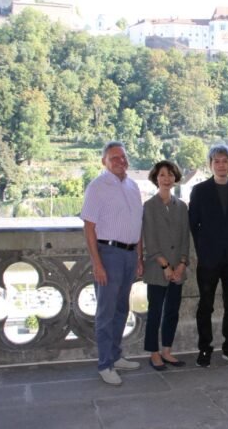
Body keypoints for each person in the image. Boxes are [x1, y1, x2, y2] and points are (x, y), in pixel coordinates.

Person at [81, 141, 143, 385]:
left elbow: (138, 224)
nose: (120, 161)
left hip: (128, 255)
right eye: (114, 158)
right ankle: (105, 363)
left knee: (120, 310)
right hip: (108, 253)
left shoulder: (133, 186)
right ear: (104, 162)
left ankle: (116, 356)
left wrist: (138, 256)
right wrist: (97, 263)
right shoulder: (97, 187)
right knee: (106, 312)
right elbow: (89, 228)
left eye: (123, 157)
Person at [189, 144, 228, 367]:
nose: (221, 165)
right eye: (217, 161)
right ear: (210, 165)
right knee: (206, 305)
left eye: (225, 161)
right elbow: (194, 224)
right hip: (208, 259)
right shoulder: (200, 190)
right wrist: (204, 250)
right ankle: (205, 349)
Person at [142, 160, 190, 371]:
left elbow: (185, 239)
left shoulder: (181, 206)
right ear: (156, 178)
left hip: (178, 270)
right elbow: (150, 241)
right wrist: (165, 266)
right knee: (155, 312)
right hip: (157, 269)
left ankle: (167, 351)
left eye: (170, 175)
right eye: (162, 175)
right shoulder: (149, 206)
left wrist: (181, 265)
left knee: (172, 311)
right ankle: (154, 353)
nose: (167, 179)